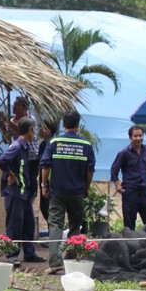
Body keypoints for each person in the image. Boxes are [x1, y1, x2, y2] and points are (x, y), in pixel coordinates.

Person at [40, 110, 96, 271]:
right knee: (75, 226)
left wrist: (44, 185)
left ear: (63, 124)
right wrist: (86, 187)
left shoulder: (54, 142)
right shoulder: (86, 144)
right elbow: (90, 170)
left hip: (57, 192)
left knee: (55, 225)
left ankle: (55, 262)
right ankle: (70, 259)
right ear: (78, 125)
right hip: (77, 192)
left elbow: (45, 165)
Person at [0, 117, 46, 264]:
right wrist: (11, 174)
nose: (35, 132)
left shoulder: (25, 146)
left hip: (23, 193)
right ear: (30, 130)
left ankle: (29, 254)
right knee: (14, 225)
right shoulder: (17, 146)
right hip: (14, 193)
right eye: (34, 129)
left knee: (29, 223)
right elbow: (1, 160)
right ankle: (12, 256)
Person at [110, 125, 146, 230]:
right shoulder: (124, 153)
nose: (138, 138)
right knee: (129, 222)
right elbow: (114, 170)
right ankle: (130, 244)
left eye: (140, 136)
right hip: (130, 191)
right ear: (130, 138)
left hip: (143, 190)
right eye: (135, 136)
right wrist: (117, 184)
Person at [0, 96, 40, 199]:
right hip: (20, 157)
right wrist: (4, 127)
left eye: (17, 105)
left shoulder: (30, 119)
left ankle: (29, 201)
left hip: (32, 156)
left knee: (31, 182)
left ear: (25, 107)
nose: (14, 106)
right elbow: (5, 140)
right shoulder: (12, 120)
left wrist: (8, 122)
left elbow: (22, 130)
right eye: (14, 104)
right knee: (22, 181)